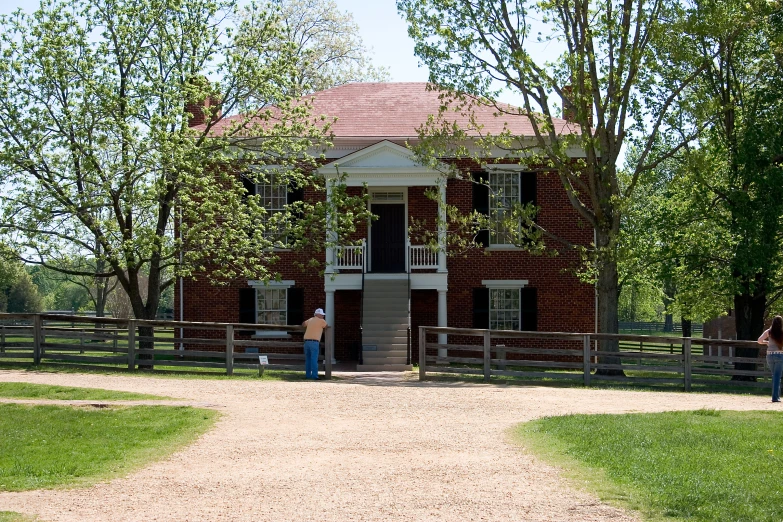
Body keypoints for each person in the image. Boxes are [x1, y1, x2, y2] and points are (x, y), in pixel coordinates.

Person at [758, 315, 783, 402]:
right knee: (777, 376)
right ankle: (775, 397)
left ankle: (776, 396)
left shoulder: (769, 332)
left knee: (774, 375)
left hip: (769, 355)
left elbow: (759, 341)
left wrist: (767, 342)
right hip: (780, 355)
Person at [302, 308, 327, 380]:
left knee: (308, 359)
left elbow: (303, 324)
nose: (323, 316)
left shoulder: (310, 319)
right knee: (314, 359)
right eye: (322, 315)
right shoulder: (322, 321)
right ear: (318, 315)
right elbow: (326, 326)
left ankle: (308, 375)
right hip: (314, 342)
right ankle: (314, 376)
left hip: (306, 342)